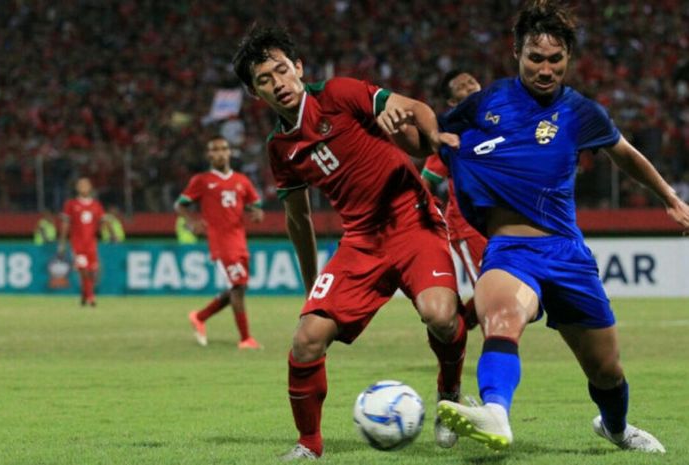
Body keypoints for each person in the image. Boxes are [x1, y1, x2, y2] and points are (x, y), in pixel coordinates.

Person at [431, 0, 689, 454]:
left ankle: (615, 428)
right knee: (503, 320)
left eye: (555, 59)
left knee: (607, 371)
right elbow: (431, 133)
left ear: (568, 58)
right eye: (536, 58)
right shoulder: (487, 101)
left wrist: (669, 199)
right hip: (509, 251)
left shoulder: (581, 113)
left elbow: (625, 154)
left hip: (568, 255)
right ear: (517, 53)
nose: (545, 69)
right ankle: (496, 413)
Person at [233, 25, 466, 460]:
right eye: (264, 79)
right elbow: (297, 220)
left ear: (298, 68)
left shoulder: (339, 93)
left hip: (412, 221)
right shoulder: (281, 148)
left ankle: (449, 394)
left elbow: (413, 107)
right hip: (361, 242)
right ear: (254, 92)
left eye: (282, 70)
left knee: (441, 316)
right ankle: (309, 445)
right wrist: (311, 286)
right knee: (306, 339)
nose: (277, 83)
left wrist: (433, 140)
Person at [175, 136, 264, 349]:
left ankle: (200, 316)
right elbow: (181, 204)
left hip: (239, 241)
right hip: (221, 242)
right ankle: (245, 339)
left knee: (238, 288)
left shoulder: (242, 181)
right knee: (238, 286)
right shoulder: (202, 180)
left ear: (229, 152)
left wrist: (257, 213)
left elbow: (255, 206)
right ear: (209, 155)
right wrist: (191, 222)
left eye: (224, 148)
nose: (220, 153)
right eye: (215, 150)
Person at [421, 70, 488, 329]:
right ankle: (494, 360)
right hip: (467, 225)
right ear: (452, 102)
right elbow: (425, 183)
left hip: (497, 221)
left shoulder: (495, 122)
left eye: (472, 80)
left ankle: (451, 324)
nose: (469, 85)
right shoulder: (452, 133)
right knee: (489, 290)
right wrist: (429, 216)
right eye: (461, 86)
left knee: (510, 283)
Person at [58, 177, 110, 306]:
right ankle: (91, 297)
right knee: (84, 270)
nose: (83, 187)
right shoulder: (71, 204)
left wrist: (108, 233)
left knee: (92, 271)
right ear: (77, 188)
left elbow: (103, 221)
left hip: (91, 244)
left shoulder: (96, 205)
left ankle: (84, 293)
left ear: (90, 187)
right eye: (81, 185)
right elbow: (65, 224)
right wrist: (62, 242)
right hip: (77, 244)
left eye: (86, 185)